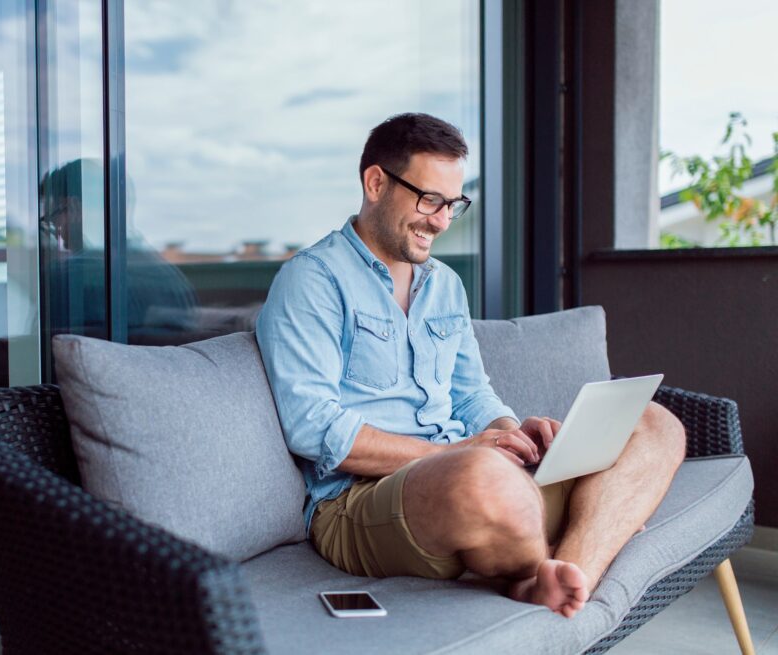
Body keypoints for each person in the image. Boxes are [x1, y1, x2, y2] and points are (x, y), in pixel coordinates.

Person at [254, 113, 686, 617]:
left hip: (478, 479)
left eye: (452, 204)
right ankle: (582, 531)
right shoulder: (313, 280)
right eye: (429, 199)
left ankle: (565, 574)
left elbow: (470, 394)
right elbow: (313, 426)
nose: (440, 220)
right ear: (375, 182)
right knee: (481, 476)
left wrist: (509, 433)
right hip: (361, 504)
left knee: (656, 424)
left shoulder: (444, 285)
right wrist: (457, 453)